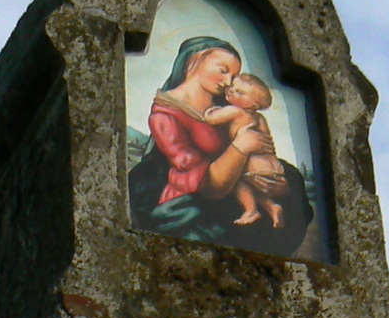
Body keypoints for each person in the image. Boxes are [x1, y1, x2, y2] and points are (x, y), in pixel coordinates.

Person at [127, 37, 313, 256]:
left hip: (235, 182)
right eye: (223, 70)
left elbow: (260, 151)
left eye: (233, 77)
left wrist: (280, 186)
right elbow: (208, 184)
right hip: (200, 192)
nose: (228, 82)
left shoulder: (227, 106)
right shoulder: (166, 117)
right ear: (194, 62)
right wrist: (241, 147)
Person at [203, 73, 286, 228]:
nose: (231, 91)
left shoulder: (236, 111)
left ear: (254, 105)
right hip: (268, 163)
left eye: (240, 92)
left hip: (251, 161)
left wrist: (209, 110)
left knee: (237, 182)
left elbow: (211, 118)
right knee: (254, 186)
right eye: (232, 86)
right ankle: (271, 207)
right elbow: (267, 140)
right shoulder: (260, 118)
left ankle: (251, 210)